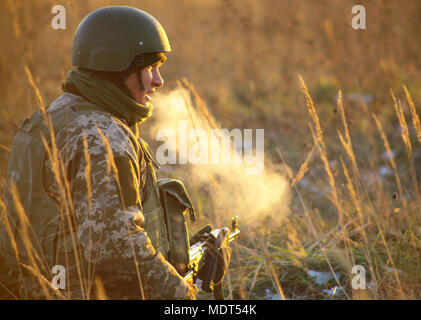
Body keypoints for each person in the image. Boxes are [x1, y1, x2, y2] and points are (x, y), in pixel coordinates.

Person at [0, 6, 198, 300]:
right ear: (116, 70)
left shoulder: (46, 118)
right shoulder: (103, 138)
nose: (158, 81)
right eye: (149, 68)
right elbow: (120, 253)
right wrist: (183, 296)